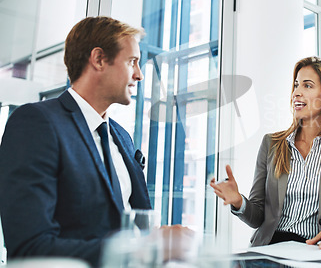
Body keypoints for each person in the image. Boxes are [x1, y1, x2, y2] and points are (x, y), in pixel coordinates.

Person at [0, 16, 192, 266]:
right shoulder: (36, 123)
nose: (139, 75)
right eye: (132, 61)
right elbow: (30, 247)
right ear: (99, 59)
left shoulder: (122, 136)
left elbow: (135, 224)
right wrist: (142, 248)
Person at [211, 56, 321, 250]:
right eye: (296, 85)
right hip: (270, 248)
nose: (296, 92)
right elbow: (258, 217)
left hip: (317, 252)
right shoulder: (272, 144)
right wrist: (238, 202)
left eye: (307, 86)